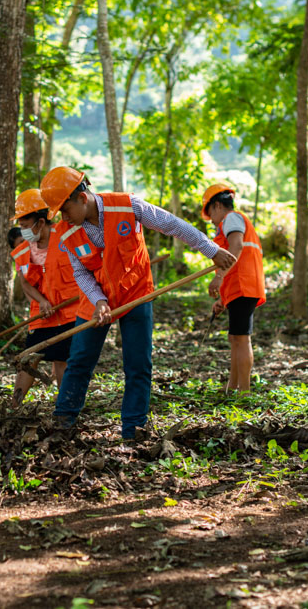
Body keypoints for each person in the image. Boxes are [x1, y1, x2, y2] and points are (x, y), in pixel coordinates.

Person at [38, 166, 237, 440]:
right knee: (80, 360)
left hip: (136, 293)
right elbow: (81, 272)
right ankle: (62, 422)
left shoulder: (127, 206)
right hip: (94, 300)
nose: (63, 217)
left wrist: (210, 249)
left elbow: (173, 225)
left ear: (82, 198)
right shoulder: (67, 231)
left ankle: (133, 430)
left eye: (64, 209)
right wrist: (98, 301)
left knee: (137, 364)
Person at [9, 189, 81, 406]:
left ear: (40, 222)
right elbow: (25, 283)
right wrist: (41, 301)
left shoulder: (68, 236)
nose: (22, 230)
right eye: (20, 226)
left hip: (70, 312)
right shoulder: (22, 252)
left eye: (24, 225)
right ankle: (14, 404)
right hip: (41, 314)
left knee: (62, 359)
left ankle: (65, 406)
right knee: (29, 357)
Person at [201, 184, 266, 394]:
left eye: (210, 212)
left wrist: (219, 278)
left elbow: (236, 247)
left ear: (218, 205)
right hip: (239, 286)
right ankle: (233, 386)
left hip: (243, 284)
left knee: (241, 338)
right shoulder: (230, 222)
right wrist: (222, 299)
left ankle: (244, 392)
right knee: (235, 337)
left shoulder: (232, 219)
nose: (210, 218)